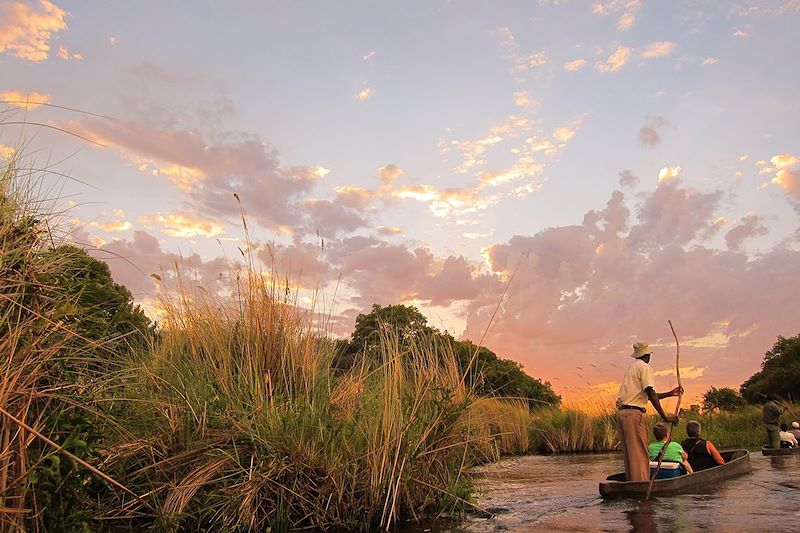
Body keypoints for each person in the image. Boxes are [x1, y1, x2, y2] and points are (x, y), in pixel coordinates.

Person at [615, 341, 682, 481]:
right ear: (647, 355)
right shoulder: (644, 367)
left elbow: (647, 394)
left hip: (623, 414)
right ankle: (641, 486)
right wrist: (666, 417)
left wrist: (670, 393)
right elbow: (650, 393)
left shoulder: (632, 368)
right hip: (634, 414)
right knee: (639, 455)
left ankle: (631, 482)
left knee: (631, 455)